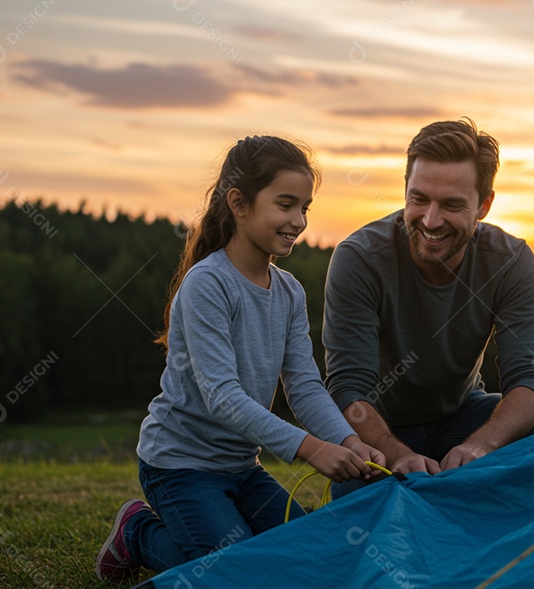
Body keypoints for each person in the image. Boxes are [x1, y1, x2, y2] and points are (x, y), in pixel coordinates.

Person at [95, 135, 384, 582]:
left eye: (305, 207)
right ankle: (137, 532)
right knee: (238, 574)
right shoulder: (207, 284)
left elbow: (304, 385)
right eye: (286, 204)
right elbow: (222, 397)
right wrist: (311, 448)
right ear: (239, 203)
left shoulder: (288, 291)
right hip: (179, 467)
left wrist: (346, 441)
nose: (298, 220)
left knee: (307, 558)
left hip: (242, 469)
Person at [323, 118, 534, 497]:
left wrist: (482, 446)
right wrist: (396, 455)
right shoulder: (360, 258)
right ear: (405, 190)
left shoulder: (511, 261)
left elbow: (531, 380)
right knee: (361, 503)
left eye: (451, 205)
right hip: (381, 431)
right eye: (419, 199)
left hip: (464, 419)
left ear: (484, 205)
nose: (431, 220)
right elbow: (348, 388)